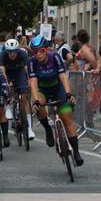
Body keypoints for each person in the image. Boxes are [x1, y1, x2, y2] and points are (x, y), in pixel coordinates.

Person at [27, 34, 83, 165]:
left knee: (66, 116)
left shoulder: (55, 57)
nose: (39, 54)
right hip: (42, 89)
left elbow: (63, 76)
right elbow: (33, 82)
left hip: (58, 88)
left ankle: (76, 152)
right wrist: (35, 100)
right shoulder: (32, 62)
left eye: (42, 51)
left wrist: (69, 94)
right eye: (35, 52)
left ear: (47, 50)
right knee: (39, 105)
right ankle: (47, 128)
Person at [0, 37, 36, 141]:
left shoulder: (23, 53)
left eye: (14, 51)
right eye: (10, 52)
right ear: (6, 51)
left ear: (18, 50)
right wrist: (6, 83)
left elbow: (26, 68)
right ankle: (8, 106)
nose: (12, 54)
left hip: (19, 72)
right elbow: (2, 71)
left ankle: (29, 129)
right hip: (8, 73)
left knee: (24, 96)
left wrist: (29, 79)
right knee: (9, 89)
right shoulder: (2, 55)